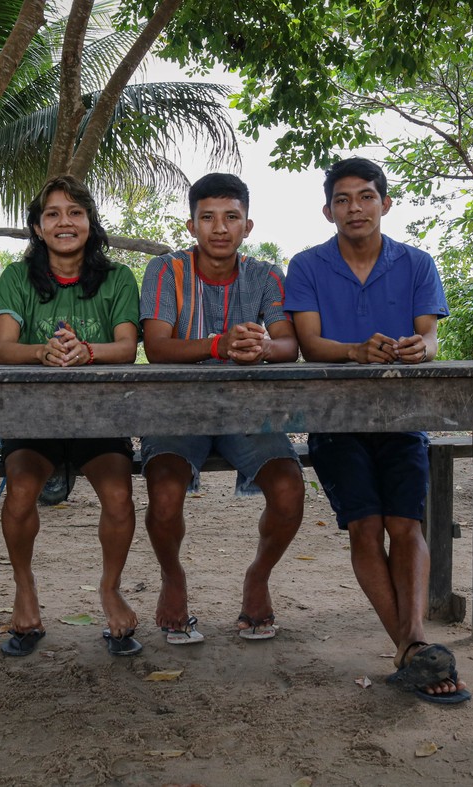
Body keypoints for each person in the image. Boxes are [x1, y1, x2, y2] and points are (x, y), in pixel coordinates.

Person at [284, 157, 470, 703]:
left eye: (365, 196)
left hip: (401, 416)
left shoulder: (416, 263)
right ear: (327, 211)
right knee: (365, 528)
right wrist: (354, 351)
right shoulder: (308, 266)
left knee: (406, 525)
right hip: (334, 419)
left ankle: (411, 650)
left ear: (385, 204)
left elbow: (430, 339)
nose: (354, 208)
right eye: (342, 200)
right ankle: (416, 648)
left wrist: (422, 348)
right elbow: (310, 346)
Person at [139, 173, 305, 645]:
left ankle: (258, 576)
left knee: (291, 490)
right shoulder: (165, 271)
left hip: (245, 411)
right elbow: (156, 347)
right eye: (207, 217)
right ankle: (173, 578)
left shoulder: (266, 274)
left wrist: (261, 347)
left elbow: (288, 344)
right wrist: (219, 343)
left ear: (247, 226)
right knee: (165, 495)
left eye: (231, 217)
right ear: (191, 225)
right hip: (175, 410)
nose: (219, 227)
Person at [0, 175, 142, 657]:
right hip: (32, 419)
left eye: (75, 212)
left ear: (90, 223)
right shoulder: (17, 278)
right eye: (52, 214)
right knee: (19, 492)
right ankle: (24, 587)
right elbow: (1, 348)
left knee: (119, 495)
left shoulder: (117, 278)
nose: (64, 222)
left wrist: (87, 351)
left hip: (99, 419)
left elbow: (127, 347)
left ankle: (110, 589)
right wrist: (41, 353)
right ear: (37, 227)